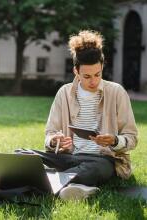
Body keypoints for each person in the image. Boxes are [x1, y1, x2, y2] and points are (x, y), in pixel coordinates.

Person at [44, 30, 138, 200]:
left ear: (102, 67)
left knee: (95, 168)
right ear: (76, 71)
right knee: (24, 155)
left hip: (102, 160)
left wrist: (114, 141)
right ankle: (74, 185)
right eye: (87, 76)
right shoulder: (64, 93)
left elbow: (131, 138)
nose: (93, 81)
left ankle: (46, 180)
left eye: (97, 74)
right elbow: (50, 133)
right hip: (69, 157)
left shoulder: (117, 92)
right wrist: (54, 141)